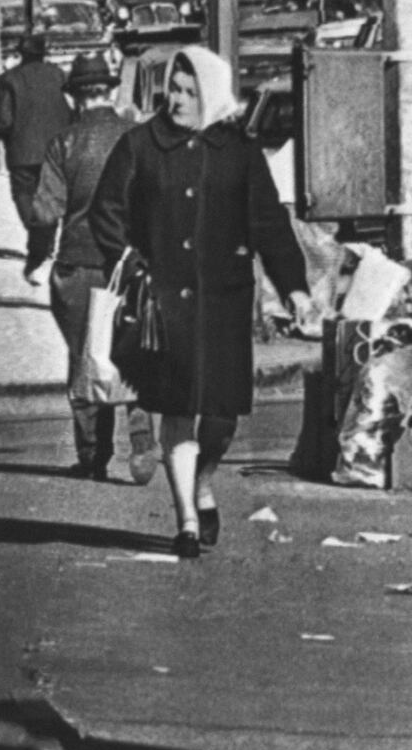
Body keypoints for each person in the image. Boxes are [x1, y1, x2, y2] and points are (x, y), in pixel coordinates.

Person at [90, 45, 315, 559]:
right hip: (162, 302)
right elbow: (107, 212)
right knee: (175, 408)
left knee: (219, 416)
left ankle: (205, 481)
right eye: (174, 87)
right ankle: (187, 519)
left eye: (191, 91)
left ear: (212, 94)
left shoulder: (238, 151)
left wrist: (294, 287)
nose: (178, 99)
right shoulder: (139, 146)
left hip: (224, 300)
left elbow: (269, 225)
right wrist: (130, 262)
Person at [31, 53, 153, 483]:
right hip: (134, 261)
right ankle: (141, 432)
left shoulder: (64, 143)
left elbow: (47, 212)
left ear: (75, 97)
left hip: (80, 262)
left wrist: (36, 256)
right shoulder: (139, 137)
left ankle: (92, 455)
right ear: (110, 91)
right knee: (135, 346)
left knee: (86, 355)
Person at [0, 31, 71, 284]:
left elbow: (4, 119)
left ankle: (40, 241)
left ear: (21, 53)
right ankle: (44, 242)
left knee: (24, 197)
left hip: (22, 151)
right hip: (56, 150)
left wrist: (5, 136)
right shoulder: (58, 75)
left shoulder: (9, 79)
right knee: (50, 196)